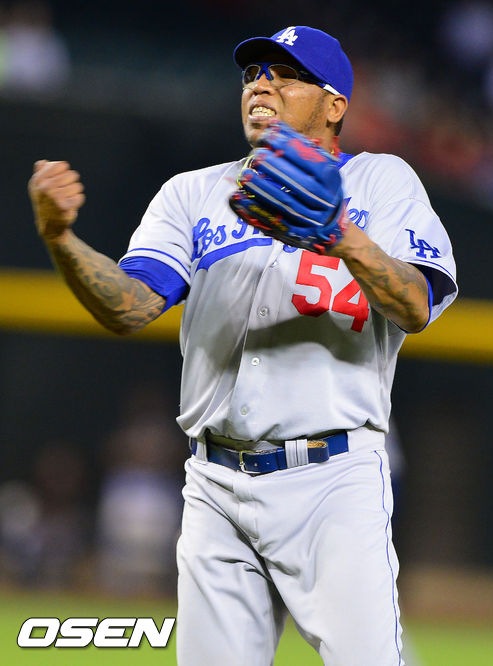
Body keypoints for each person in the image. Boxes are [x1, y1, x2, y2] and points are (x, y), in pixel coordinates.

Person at [28, 25, 457, 666]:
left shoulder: (381, 182)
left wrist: (343, 237)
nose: (261, 86)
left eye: (286, 76)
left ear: (334, 105)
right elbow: (129, 307)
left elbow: (417, 306)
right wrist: (60, 239)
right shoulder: (192, 192)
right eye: (254, 74)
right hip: (215, 485)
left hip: (332, 482)